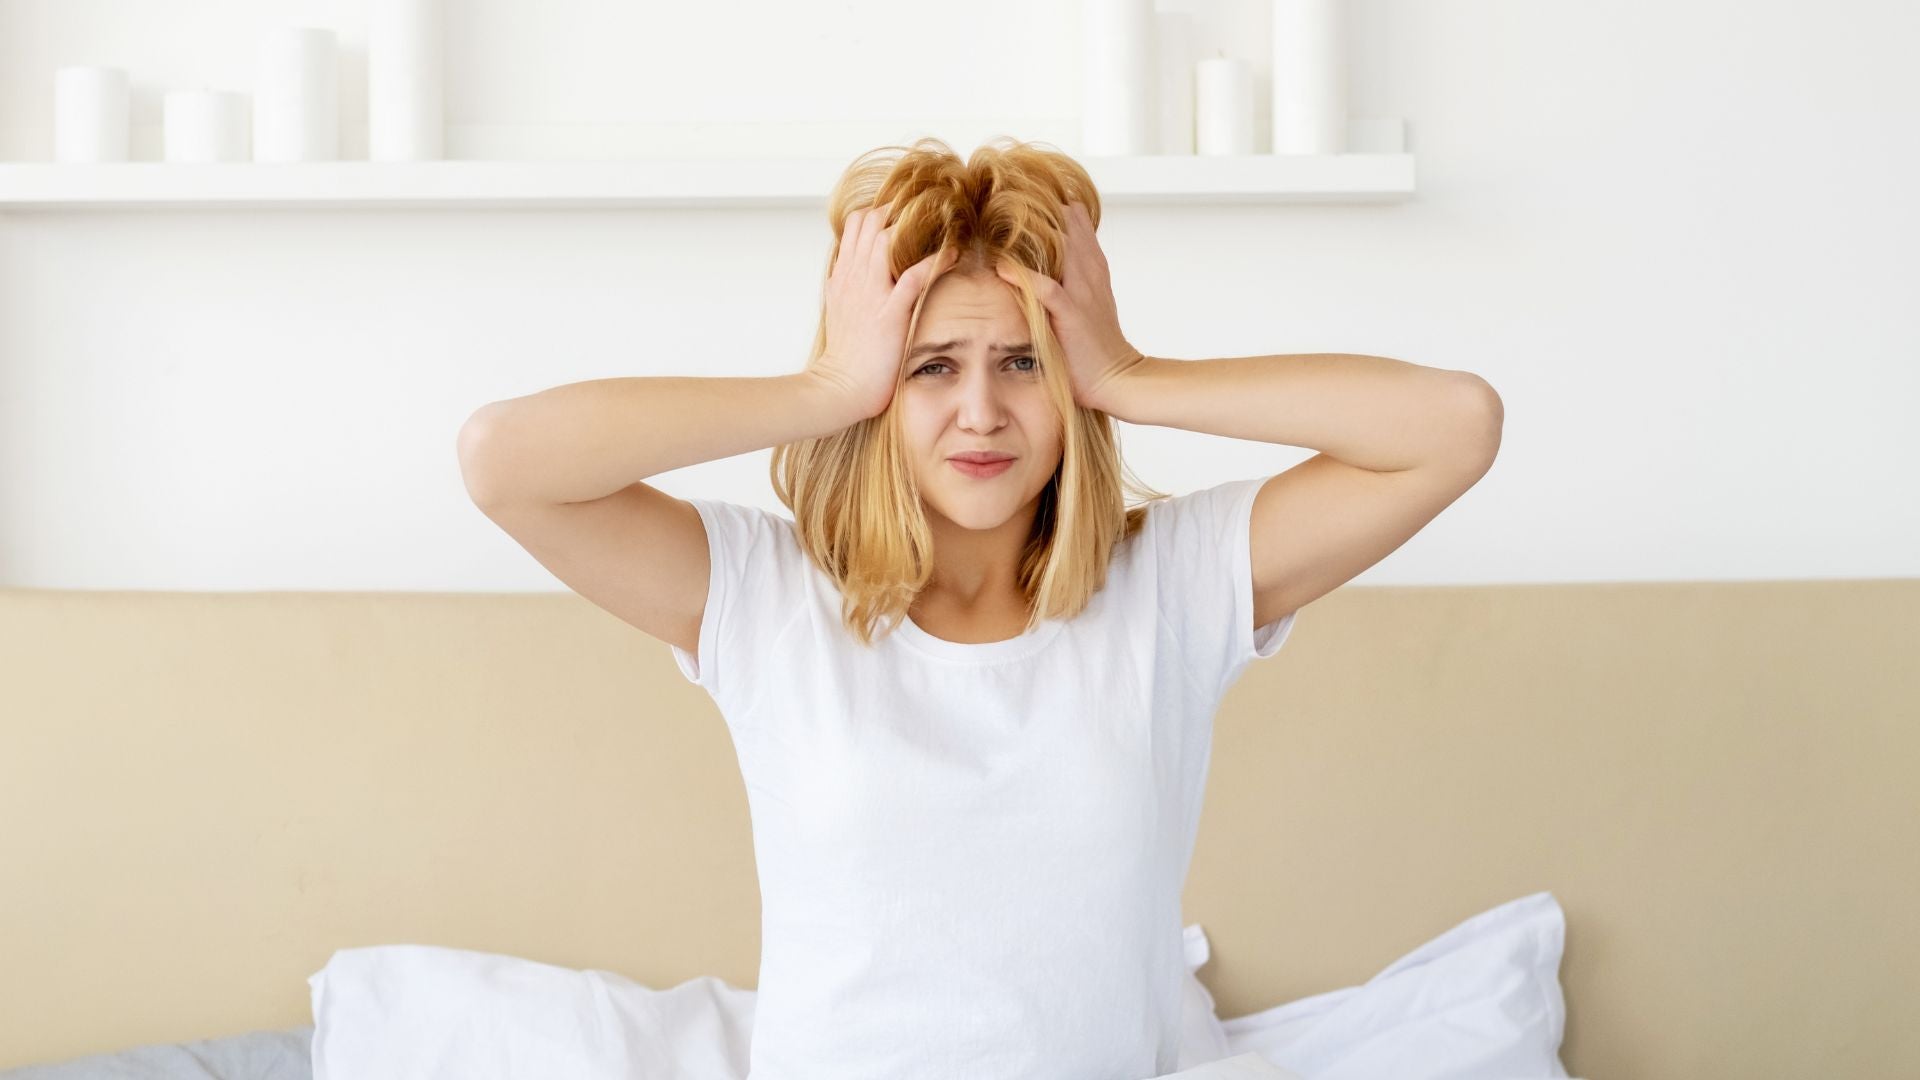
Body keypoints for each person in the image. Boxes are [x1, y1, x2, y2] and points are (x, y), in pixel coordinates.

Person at [456, 136, 1502, 1080]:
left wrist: (1131, 374)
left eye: (1021, 363)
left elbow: (1455, 425)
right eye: (931, 368)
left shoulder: (1172, 587)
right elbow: (504, 460)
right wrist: (823, 387)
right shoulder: (766, 598)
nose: (982, 413)